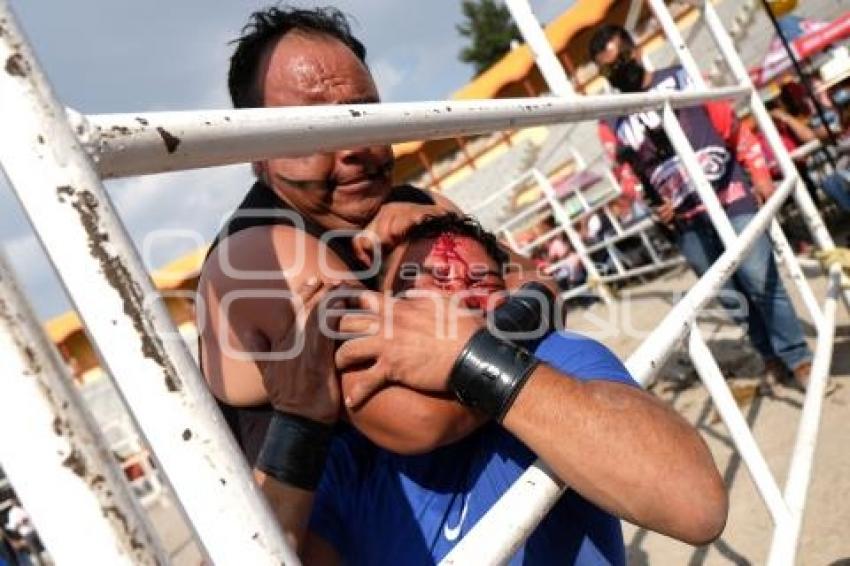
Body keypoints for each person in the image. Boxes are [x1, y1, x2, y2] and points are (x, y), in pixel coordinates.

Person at [258, 214, 726, 564]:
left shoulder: (557, 360)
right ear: (383, 308)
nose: (461, 291)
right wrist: (297, 421)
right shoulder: (349, 460)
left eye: (482, 280)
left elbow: (695, 505)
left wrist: (467, 354)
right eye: (432, 281)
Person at [591, 24, 813, 390]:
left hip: (729, 193)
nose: (618, 72)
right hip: (684, 220)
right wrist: (650, 203)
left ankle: (798, 358)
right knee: (728, 295)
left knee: (760, 277)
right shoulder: (610, 119)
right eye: (608, 69)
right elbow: (624, 175)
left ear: (637, 49)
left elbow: (732, 126)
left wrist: (758, 171)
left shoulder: (683, 77)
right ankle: (769, 355)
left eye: (621, 60)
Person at [768, 82, 850, 212]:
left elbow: (813, 135)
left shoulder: (833, 116)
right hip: (827, 173)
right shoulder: (814, 116)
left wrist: (786, 118)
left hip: (835, 171)